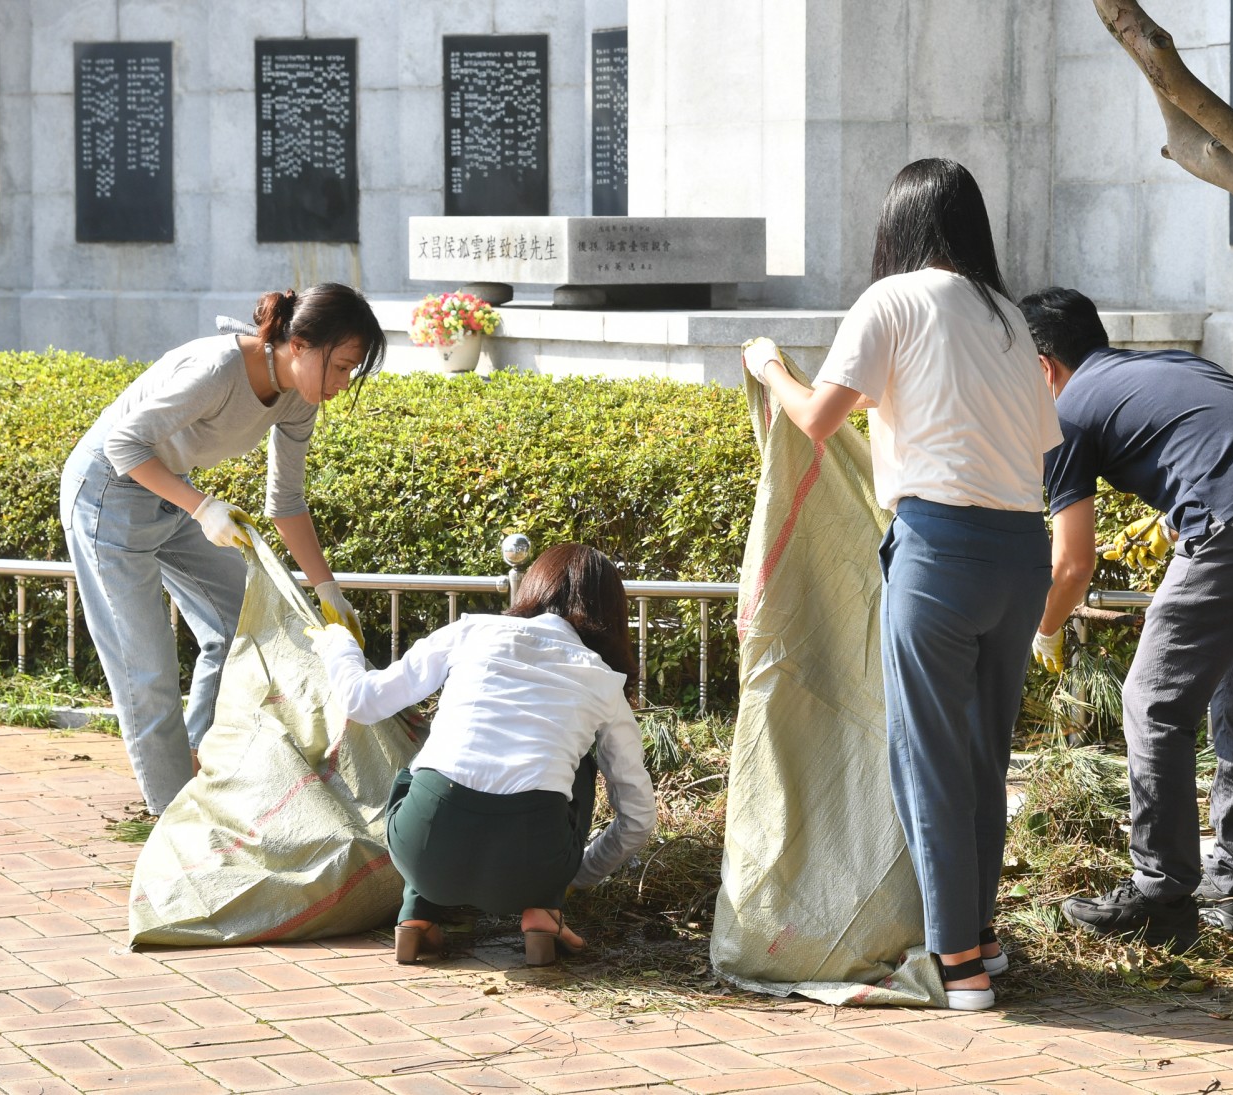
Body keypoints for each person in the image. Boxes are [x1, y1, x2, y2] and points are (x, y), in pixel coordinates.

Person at [743, 158, 1063, 1010]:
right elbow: (1037, 444)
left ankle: (956, 963)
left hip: (939, 551)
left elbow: (818, 420)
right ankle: (981, 939)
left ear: (900, 226)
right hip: (1020, 554)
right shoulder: (1008, 318)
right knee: (983, 757)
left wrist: (771, 367)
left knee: (927, 761)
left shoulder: (891, 300)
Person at [1018, 286, 1233, 952]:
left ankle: (1161, 893)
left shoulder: (1067, 412)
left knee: (1153, 703)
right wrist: (1175, 519)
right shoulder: (1166, 364)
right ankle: (1231, 890)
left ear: (1043, 366)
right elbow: (1223, 439)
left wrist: (1044, 629)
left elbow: (1072, 565)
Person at [60, 283, 385, 818]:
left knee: (240, 622)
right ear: (300, 345)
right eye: (342, 366)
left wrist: (328, 591)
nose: (343, 384)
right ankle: (173, 819)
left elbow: (286, 503)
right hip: (108, 493)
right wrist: (202, 508)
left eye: (351, 372)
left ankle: (194, 760)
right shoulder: (217, 369)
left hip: (171, 490)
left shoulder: (296, 398)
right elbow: (122, 443)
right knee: (146, 670)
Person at [309, 543, 657, 966]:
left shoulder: (471, 632)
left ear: (533, 586)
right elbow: (638, 817)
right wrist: (573, 873)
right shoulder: (603, 682)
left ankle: (416, 912)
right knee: (580, 765)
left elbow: (362, 701)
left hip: (422, 852)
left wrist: (339, 644)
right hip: (533, 869)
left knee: (425, 765)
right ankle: (544, 912)